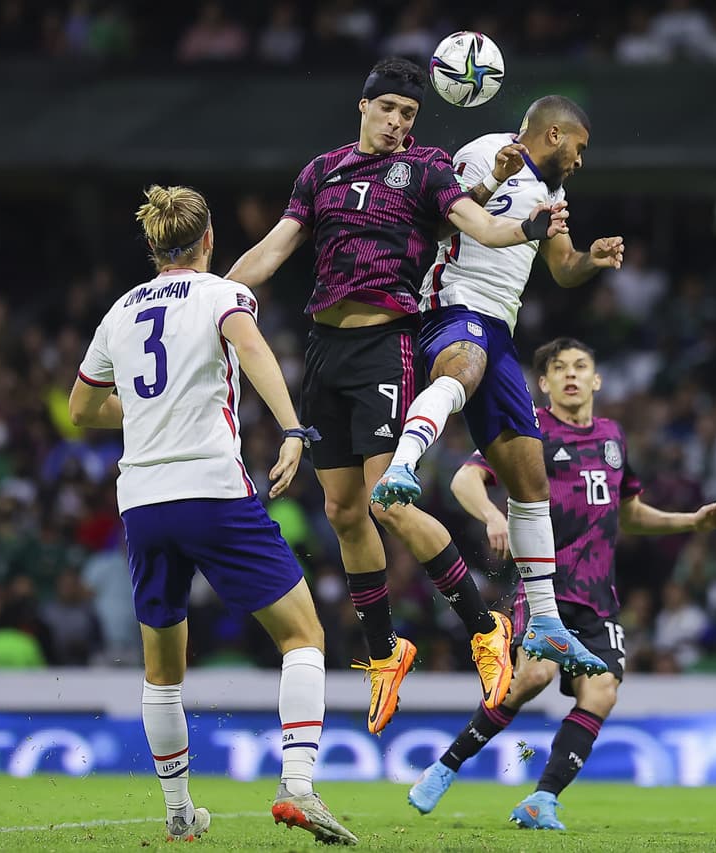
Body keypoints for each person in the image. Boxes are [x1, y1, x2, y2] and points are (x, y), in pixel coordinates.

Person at [226, 57, 583, 734]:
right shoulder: (320, 171)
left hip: (385, 342)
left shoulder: (427, 170)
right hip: (323, 347)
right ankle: (386, 651)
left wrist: (528, 227)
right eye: (388, 110)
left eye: (410, 115)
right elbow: (273, 249)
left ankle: (485, 628)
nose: (398, 123)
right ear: (363, 107)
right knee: (341, 509)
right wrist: (215, 295)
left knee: (389, 505)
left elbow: (481, 226)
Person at [68, 185, 356, 845]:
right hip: (211, 490)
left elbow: (81, 410)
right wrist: (292, 429)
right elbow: (251, 349)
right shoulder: (222, 294)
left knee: (162, 669)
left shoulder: (119, 311)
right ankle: (299, 786)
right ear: (208, 241)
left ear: (151, 247)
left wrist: (141, 411)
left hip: (142, 502)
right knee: (303, 635)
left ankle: (177, 810)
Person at [406, 338, 716, 830]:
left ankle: (542, 800)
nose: (570, 375)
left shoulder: (613, 437)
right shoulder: (529, 429)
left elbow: (629, 514)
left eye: (581, 366)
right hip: (546, 588)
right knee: (532, 679)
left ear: (596, 379)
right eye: (559, 368)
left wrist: (693, 521)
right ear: (543, 384)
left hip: (598, 597)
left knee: (602, 693)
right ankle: (445, 766)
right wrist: (492, 515)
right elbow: (465, 480)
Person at [371, 95, 626, 678]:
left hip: (499, 326)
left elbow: (561, 268)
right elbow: (433, 224)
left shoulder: (555, 195)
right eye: (580, 149)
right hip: (451, 301)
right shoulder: (487, 152)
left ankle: (544, 625)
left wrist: (592, 257)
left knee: (530, 476)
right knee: (462, 367)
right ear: (555, 134)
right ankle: (401, 468)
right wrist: (493, 181)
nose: (582, 162)